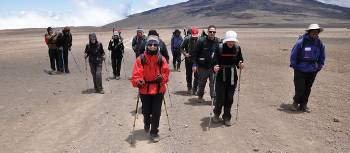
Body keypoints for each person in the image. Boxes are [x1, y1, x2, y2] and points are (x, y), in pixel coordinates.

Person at [131, 36, 170, 142]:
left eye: (155, 45)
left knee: (156, 111)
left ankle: (154, 131)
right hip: (145, 89)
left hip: (158, 89)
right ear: (146, 45)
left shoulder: (162, 59)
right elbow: (136, 74)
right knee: (146, 110)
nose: (152, 46)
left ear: (158, 46)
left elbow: (166, 73)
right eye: (150, 44)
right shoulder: (141, 59)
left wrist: (162, 78)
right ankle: (146, 122)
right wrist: (138, 81)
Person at [290, 24, 325, 112]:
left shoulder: (319, 43)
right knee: (300, 87)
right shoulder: (301, 42)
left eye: (316, 32)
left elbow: (322, 56)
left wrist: (319, 66)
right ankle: (295, 103)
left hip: (313, 69)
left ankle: (304, 104)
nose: (315, 34)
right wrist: (295, 66)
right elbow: (293, 54)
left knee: (308, 88)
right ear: (309, 32)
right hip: (300, 69)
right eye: (313, 32)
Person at [212, 30, 244, 126]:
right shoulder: (220, 47)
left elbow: (239, 59)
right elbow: (214, 60)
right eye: (229, 41)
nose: (231, 43)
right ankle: (216, 114)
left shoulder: (237, 48)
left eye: (233, 41)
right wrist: (215, 66)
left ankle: (226, 117)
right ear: (226, 40)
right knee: (220, 98)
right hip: (221, 76)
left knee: (229, 98)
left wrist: (240, 64)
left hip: (232, 77)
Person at [192, 25, 220, 103]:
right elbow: (195, 53)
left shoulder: (217, 42)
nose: (212, 33)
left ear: (215, 33)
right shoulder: (201, 41)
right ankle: (200, 96)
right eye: (210, 32)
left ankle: (213, 99)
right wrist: (194, 64)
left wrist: (218, 65)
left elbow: (219, 55)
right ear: (208, 32)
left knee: (213, 84)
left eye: (213, 32)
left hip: (212, 67)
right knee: (201, 83)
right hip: (202, 67)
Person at [180, 27, 199, 95]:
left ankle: (195, 89)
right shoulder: (187, 39)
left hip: (197, 61)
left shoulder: (200, 40)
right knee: (189, 74)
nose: (194, 37)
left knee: (197, 75)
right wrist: (185, 54)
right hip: (188, 60)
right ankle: (189, 88)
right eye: (193, 36)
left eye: (195, 36)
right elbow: (181, 47)